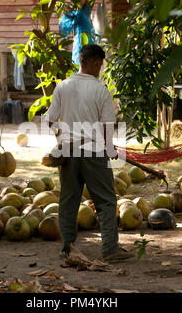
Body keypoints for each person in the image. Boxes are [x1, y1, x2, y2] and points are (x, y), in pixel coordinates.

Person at [43, 44, 134, 263]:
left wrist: (62, 139)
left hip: (68, 151)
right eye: (100, 65)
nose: (100, 69)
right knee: (106, 201)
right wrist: (110, 148)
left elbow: (49, 120)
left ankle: (66, 248)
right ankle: (110, 249)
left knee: (68, 200)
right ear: (94, 63)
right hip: (94, 151)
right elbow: (107, 124)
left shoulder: (62, 87)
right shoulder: (100, 90)